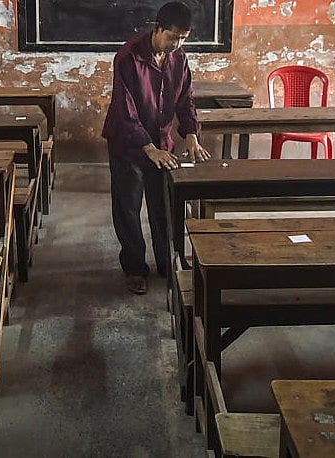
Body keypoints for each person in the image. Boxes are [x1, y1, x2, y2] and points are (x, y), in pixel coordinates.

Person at [102, 1, 210, 295]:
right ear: (158, 28)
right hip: (129, 143)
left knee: (164, 205)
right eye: (174, 36)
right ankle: (135, 268)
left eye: (184, 38)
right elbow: (126, 113)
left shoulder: (179, 59)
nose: (177, 44)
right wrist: (149, 148)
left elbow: (185, 100)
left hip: (162, 142)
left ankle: (167, 262)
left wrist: (191, 136)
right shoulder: (128, 57)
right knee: (128, 207)